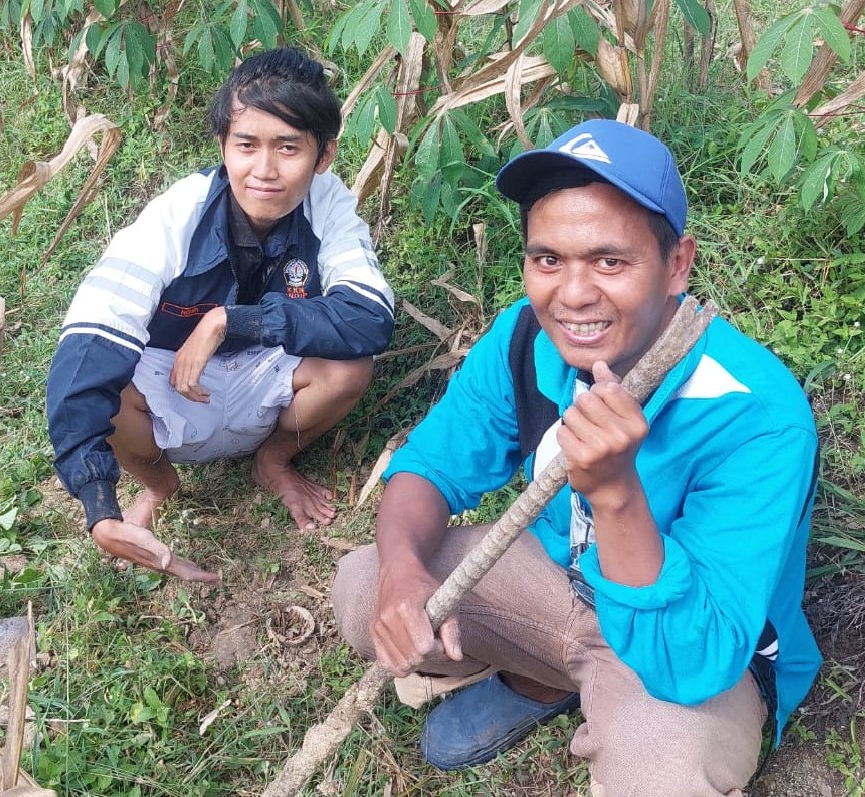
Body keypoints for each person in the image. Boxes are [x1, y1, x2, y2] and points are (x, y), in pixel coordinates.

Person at [332, 119, 820, 795]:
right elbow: (428, 466)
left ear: (677, 263)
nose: (573, 293)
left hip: (682, 643)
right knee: (362, 588)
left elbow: (695, 656)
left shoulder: (756, 416)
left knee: (666, 779)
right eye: (548, 259)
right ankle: (551, 676)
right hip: (557, 581)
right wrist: (402, 574)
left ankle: (600, 696)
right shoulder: (523, 338)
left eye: (610, 261)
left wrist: (616, 493)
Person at [47, 47, 394, 582]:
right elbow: (89, 342)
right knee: (106, 389)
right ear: (222, 146)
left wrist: (232, 321)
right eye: (246, 146)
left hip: (265, 363)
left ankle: (273, 459)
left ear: (323, 156)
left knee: (350, 367)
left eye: (288, 148)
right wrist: (98, 505)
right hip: (170, 375)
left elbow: (369, 317)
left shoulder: (329, 205)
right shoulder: (176, 213)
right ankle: (158, 483)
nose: (264, 171)